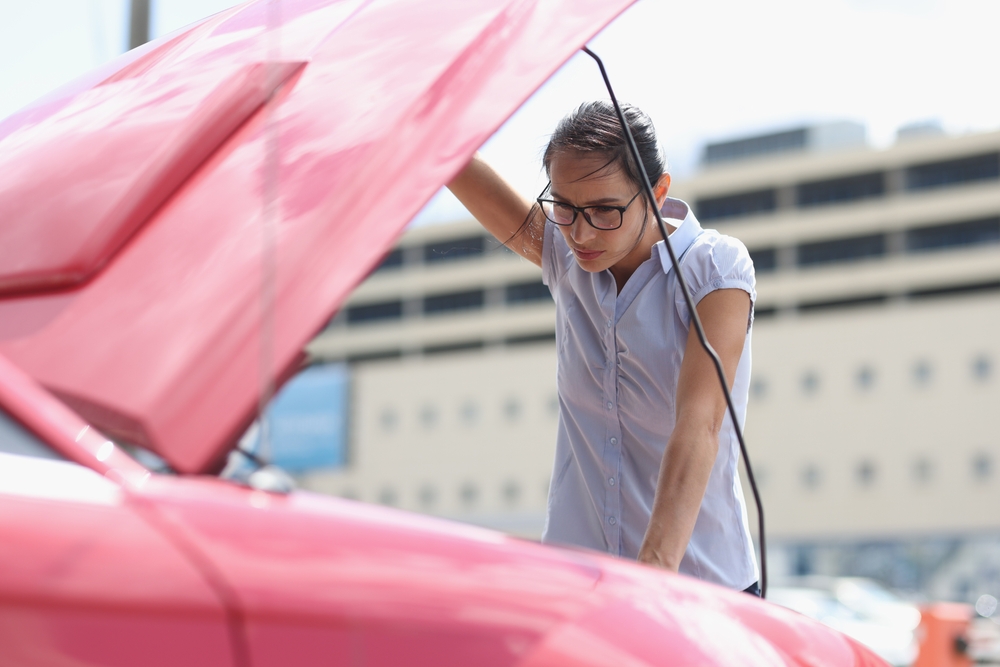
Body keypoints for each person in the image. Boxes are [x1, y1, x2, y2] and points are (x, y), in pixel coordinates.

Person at [447, 101, 759, 594]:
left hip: (699, 587)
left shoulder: (714, 270)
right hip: (579, 586)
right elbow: (451, 158)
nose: (582, 232)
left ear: (657, 193)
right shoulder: (565, 257)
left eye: (605, 211)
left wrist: (653, 573)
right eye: (565, 209)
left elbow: (700, 425)